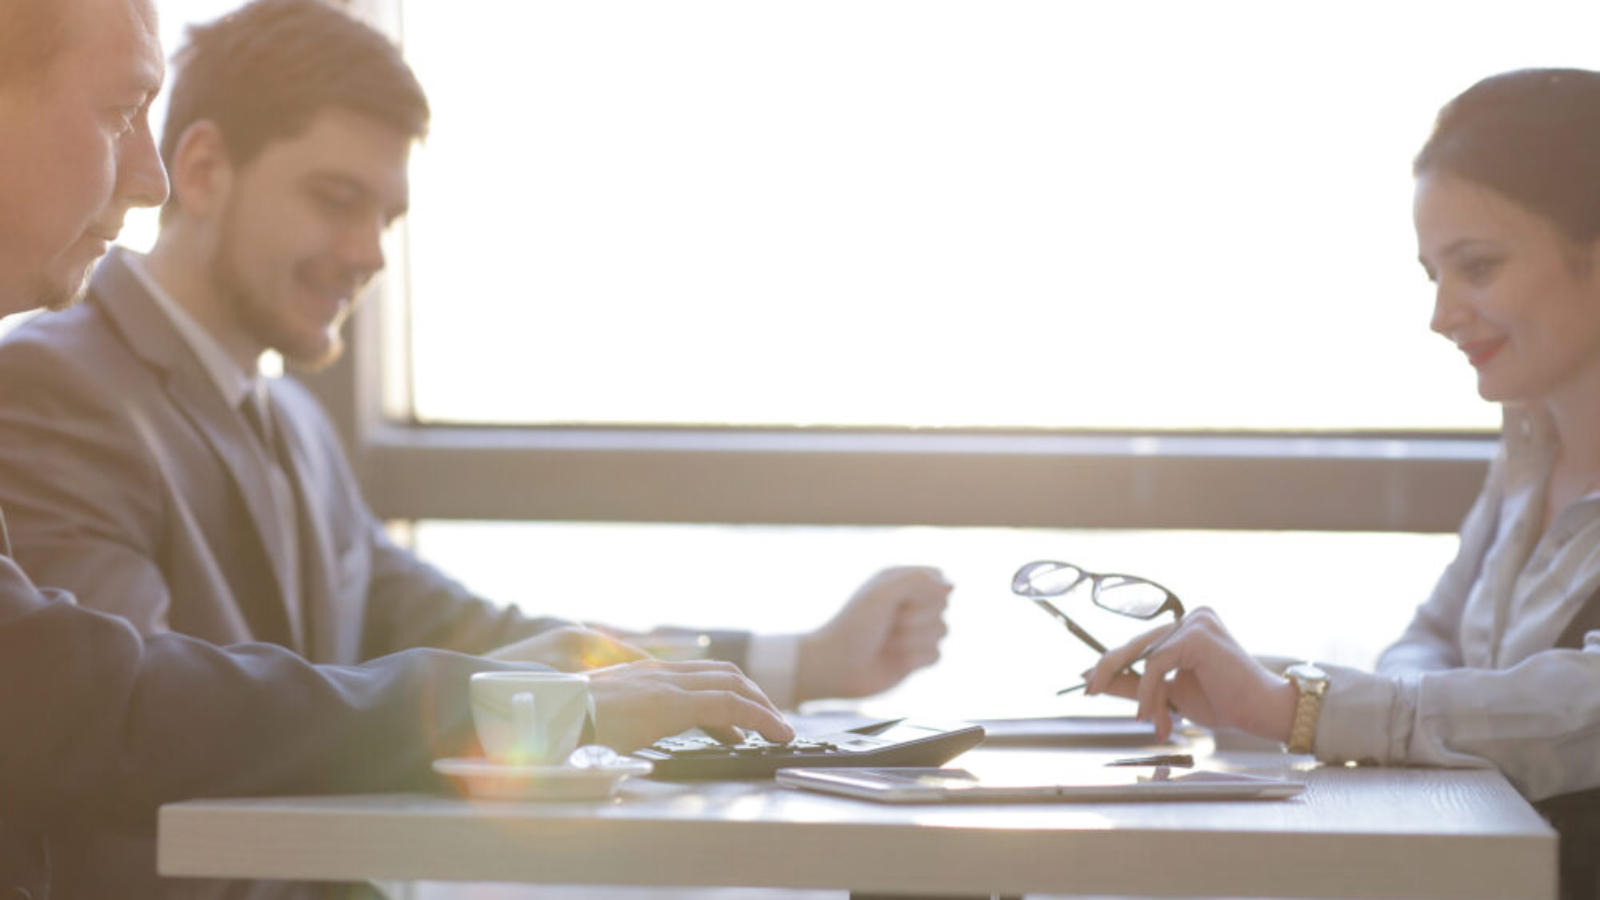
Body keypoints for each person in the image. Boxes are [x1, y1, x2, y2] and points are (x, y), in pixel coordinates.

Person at [0, 0, 799, 894]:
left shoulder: (294, 422)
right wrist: (535, 708)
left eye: (385, 217)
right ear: (207, 170)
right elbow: (116, 714)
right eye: (335, 200)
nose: (370, 254)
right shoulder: (49, 388)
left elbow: (464, 631)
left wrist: (778, 665)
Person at [1083, 67, 1600, 900]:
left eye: (1478, 267)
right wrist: (1263, 687)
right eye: (1433, 275)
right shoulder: (1529, 451)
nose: (1441, 315)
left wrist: (1300, 707)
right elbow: (1430, 641)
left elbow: (1586, 712)